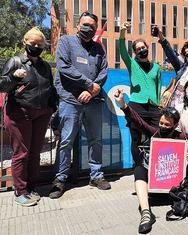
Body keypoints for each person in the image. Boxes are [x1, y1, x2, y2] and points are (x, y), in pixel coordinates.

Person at [114, 88, 188, 233]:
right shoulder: (154, 132)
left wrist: (187, 158)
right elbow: (138, 121)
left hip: (175, 189)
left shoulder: (181, 137)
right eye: (161, 123)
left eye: (167, 125)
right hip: (156, 186)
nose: (163, 127)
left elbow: (186, 157)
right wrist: (124, 105)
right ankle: (146, 213)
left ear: (175, 126)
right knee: (138, 169)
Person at [49, 11, 110, 199]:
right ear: (77, 25)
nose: (88, 29)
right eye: (85, 24)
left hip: (92, 101)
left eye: (92, 26)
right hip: (69, 100)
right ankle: (60, 180)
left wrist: (91, 90)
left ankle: (96, 175)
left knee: (96, 140)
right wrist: (88, 83)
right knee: (66, 141)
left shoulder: (99, 48)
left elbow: (103, 72)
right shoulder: (66, 42)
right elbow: (63, 66)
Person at [0, 27, 57, 206]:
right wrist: (14, 78)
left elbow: (50, 87)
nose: (36, 47)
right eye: (33, 43)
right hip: (19, 113)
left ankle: (32, 186)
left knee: (35, 153)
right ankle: (20, 190)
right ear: (25, 42)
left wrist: (53, 106)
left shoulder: (45, 65)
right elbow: (2, 86)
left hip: (41, 113)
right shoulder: (15, 61)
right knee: (21, 153)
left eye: (40, 44)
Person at [119, 22, 162, 166]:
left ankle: (155, 166)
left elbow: (158, 86)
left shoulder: (156, 67)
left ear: (147, 48)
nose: (141, 50)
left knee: (157, 136)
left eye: (143, 47)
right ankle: (138, 168)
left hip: (154, 107)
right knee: (136, 138)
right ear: (135, 52)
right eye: (138, 49)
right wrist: (123, 32)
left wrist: (158, 103)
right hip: (136, 105)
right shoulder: (132, 64)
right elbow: (122, 50)